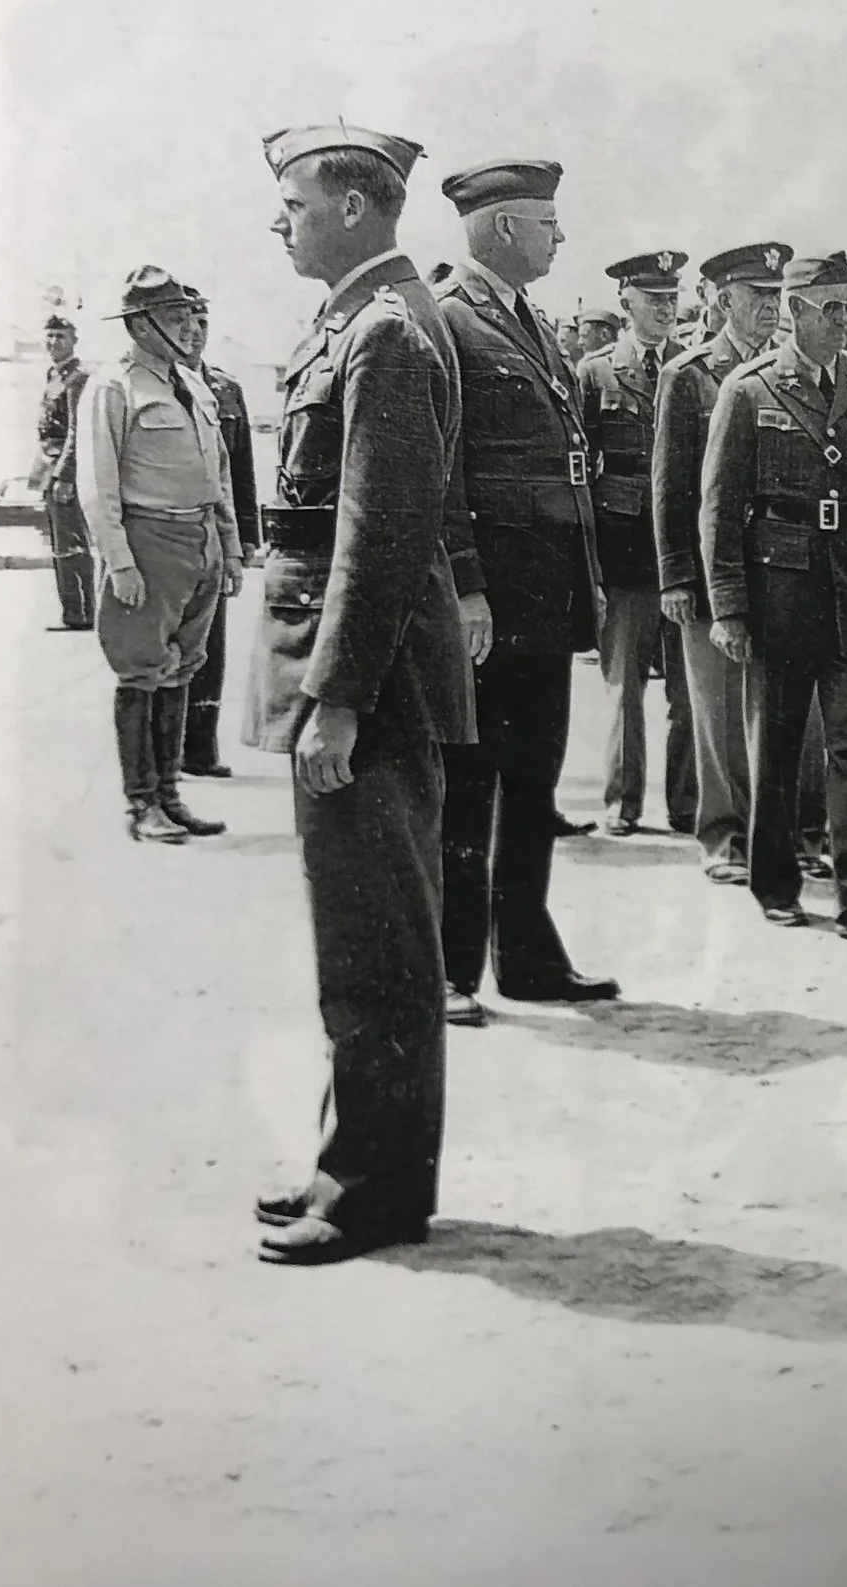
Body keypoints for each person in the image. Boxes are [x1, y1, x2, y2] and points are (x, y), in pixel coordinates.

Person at [245, 123, 476, 1267]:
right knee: (358, 936)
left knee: (380, 947)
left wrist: (337, 699)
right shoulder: (358, 319)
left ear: (350, 206)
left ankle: (379, 1193)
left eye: (291, 204)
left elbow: (380, 538)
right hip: (345, 670)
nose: (277, 224)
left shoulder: (388, 332)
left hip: (367, 687)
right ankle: (353, 1160)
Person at [430, 158, 617, 1022]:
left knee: (534, 790)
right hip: (489, 607)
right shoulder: (447, 323)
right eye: (547, 222)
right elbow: (443, 476)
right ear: (503, 226)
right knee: (468, 790)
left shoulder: (529, 323)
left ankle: (528, 958)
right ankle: (451, 967)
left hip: (544, 602)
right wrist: (466, 589)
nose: (560, 236)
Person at [704, 251, 847, 932]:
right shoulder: (748, 389)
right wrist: (729, 607)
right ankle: (776, 884)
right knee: (779, 747)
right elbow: (720, 506)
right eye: (833, 309)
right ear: (794, 311)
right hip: (780, 591)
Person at [77, 268, 247, 842]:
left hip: (198, 541)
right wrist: (120, 563)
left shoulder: (194, 385)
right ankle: (141, 805)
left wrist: (228, 548)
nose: (188, 325)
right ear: (139, 325)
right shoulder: (113, 388)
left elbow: (217, 473)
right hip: (148, 542)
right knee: (141, 672)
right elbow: (97, 485)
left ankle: (171, 794)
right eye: (173, 317)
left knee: (184, 668)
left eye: (187, 314)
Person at [659, 240, 789, 882]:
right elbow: (671, 484)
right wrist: (677, 575)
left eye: (775, 294)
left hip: (777, 568)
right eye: (755, 295)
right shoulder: (689, 375)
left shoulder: (791, 370)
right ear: (721, 301)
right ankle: (722, 836)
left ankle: (777, 834)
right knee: (715, 711)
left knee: (778, 710)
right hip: (711, 569)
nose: (770, 306)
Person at [579, 251, 694, 835]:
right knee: (623, 686)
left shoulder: (694, 366)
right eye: (654, 299)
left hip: (683, 550)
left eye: (672, 299)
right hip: (623, 547)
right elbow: (579, 467)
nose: (665, 310)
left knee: (689, 690)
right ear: (626, 303)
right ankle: (621, 802)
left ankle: (687, 805)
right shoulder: (597, 372)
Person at [178, 300, 262, 777]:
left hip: (216, 534)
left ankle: (201, 749)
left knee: (212, 642)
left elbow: (242, 468)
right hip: (168, 534)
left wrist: (247, 537)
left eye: (203, 323)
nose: (195, 332)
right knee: (168, 645)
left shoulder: (227, 389)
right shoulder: (157, 385)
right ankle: (163, 755)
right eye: (185, 324)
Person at [36, 313, 96, 630]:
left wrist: (67, 476)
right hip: (50, 466)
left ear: (74, 340)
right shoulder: (54, 374)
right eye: (49, 335)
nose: (53, 342)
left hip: (65, 469)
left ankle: (83, 612)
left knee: (72, 542)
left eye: (60, 336)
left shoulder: (78, 377)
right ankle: (72, 611)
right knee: (61, 542)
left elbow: (76, 430)